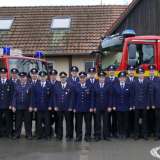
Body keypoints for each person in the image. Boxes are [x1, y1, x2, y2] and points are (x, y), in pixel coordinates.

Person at [53, 72, 74, 141]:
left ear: (66, 78)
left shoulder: (70, 86)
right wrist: (55, 106)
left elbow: (72, 98)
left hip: (67, 108)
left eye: (64, 77)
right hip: (59, 108)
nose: (63, 78)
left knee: (68, 123)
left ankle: (69, 136)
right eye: (61, 77)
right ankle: (59, 136)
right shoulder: (56, 86)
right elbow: (54, 97)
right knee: (59, 122)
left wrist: (71, 106)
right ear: (60, 78)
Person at [74, 72, 94, 142]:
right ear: (79, 78)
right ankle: (78, 136)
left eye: (83, 77)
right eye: (81, 78)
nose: (82, 79)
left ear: (86, 78)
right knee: (78, 123)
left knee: (88, 123)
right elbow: (73, 98)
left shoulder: (90, 86)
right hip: (78, 108)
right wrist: (74, 107)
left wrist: (91, 107)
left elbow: (92, 97)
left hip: (87, 108)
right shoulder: (75, 86)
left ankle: (87, 136)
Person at [12, 72, 32, 139]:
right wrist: (14, 105)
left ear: (26, 78)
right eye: (21, 77)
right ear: (19, 78)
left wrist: (31, 106)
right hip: (18, 107)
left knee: (28, 121)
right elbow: (14, 96)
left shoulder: (30, 85)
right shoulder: (16, 85)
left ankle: (28, 134)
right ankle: (17, 134)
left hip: (27, 107)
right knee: (18, 121)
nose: (22, 79)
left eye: (23, 77)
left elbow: (32, 97)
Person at [33, 71, 52, 139]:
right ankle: (39, 135)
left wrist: (50, 105)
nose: (42, 78)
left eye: (44, 76)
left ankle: (47, 135)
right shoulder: (36, 85)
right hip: (38, 107)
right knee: (38, 122)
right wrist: (34, 106)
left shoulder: (49, 85)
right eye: (41, 76)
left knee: (47, 122)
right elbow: (34, 97)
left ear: (46, 77)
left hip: (47, 107)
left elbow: (51, 97)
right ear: (39, 77)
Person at [93, 70, 111, 141]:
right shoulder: (95, 85)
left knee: (106, 122)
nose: (101, 78)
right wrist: (93, 107)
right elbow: (93, 97)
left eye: (103, 77)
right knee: (97, 122)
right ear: (98, 78)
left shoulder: (108, 85)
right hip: (97, 107)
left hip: (106, 106)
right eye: (100, 77)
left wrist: (109, 106)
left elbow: (110, 96)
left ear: (105, 78)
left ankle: (105, 136)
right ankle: (98, 136)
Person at [113, 71, 131, 139]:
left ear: (125, 78)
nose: (122, 78)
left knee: (126, 121)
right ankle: (120, 133)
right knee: (119, 121)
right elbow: (114, 97)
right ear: (119, 78)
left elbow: (130, 96)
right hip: (118, 107)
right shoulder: (115, 86)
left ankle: (125, 133)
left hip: (126, 107)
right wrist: (114, 105)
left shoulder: (128, 86)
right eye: (121, 77)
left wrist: (130, 105)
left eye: (123, 77)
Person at [134, 66, 149, 140]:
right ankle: (137, 134)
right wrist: (133, 104)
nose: (141, 75)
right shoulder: (134, 82)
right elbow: (132, 94)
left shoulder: (147, 82)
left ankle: (144, 134)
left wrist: (148, 104)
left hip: (144, 105)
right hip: (136, 105)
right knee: (136, 120)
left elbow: (149, 94)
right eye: (139, 73)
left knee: (144, 120)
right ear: (138, 74)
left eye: (142, 73)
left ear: (144, 73)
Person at [0, 67, 14, 138]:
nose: (3, 75)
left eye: (4, 73)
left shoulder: (10, 82)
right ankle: (1, 133)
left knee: (9, 120)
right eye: (2, 73)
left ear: (6, 74)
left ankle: (9, 133)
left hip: (7, 105)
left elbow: (12, 95)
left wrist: (11, 104)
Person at [106, 65, 119, 137]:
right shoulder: (105, 79)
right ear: (108, 72)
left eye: (113, 70)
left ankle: (114, 132)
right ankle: (108, 132)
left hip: (115, 103)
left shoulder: (117, 79)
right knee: (107, 118)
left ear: (114, 71)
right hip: (107, 102)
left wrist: (114, 104)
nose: (111, 71)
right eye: (110, 70)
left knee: (115, 118)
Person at [86, 67, 98, 138]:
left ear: (95, 73)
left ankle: (96, 135)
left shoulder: (98, 81)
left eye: (93, 73)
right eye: (90, 73)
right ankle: (88, 135)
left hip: (96, 105)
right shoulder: (86, 82)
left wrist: (95, 106)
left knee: (97, 121)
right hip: (88, 106)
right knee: (88, 122)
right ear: (89, 74)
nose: (92, 74)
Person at [147, 65, 157, 137]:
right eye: (150, 71)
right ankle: (149, 131)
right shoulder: (146, 79)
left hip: (155, 103)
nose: (151, 72)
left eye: (152, 71)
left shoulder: (158, 79)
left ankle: (155, 131)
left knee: (155, 118)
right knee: (148, 117)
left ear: (154, 71)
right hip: (148, 102)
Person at [126, 65, 136, 137]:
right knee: (128, 119)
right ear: (128, 72)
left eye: (132, 70)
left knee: (135, 119)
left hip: (135, 104)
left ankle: (134, 132)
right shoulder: (124, 79)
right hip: (127, 104)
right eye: (130, 70)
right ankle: (128, 132)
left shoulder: (137, 79)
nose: (131, 72)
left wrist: (134, 104)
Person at [49, 69, 59, 137]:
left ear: (56, 76)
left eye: (54, 75)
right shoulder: (47, 83)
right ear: (50, 76)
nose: (53, 76)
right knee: (48, 120)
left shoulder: (59, 83)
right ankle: (49, 132)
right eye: (52, 75)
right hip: (49, 106)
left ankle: (57, 133)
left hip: (57, 106)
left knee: (57, 120)